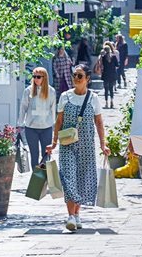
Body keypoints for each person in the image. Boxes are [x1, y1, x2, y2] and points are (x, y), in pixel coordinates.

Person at [46, 64, 110, 232]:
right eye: (74, 75)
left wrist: (103, 144)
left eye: (79, 76)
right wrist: (53, 143)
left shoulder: (93, 98)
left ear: (87, 79)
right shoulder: (65, 97)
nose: (76, 78)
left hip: (87, 145)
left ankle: (76, 214)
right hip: (67, 144)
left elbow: (99, 122)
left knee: (82, 179)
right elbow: (59, 121)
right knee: (68, 177)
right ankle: (70, 216)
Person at [18, 67, 56, 168]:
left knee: (46, 156)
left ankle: (45, 180)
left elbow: (53, 109)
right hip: (31, 128)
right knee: (34, 156)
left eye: (38, 77)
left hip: (46, 128)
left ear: (44, 78)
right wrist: (20, 124)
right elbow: (23, 108)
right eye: (34, 76)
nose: (36, 79)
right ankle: (35, 179)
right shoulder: (28, 91)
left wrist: (54, 125)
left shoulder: (51, 91)